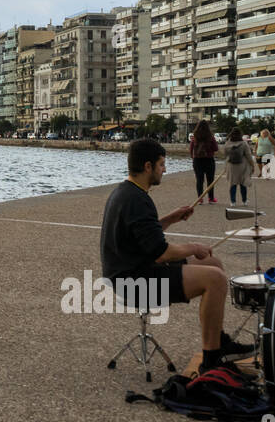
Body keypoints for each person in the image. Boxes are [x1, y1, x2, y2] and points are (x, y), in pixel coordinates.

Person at [99, 139, 254, 374]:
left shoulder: (126, 192)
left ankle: (219, 341)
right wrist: (193, 247)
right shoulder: (138, 201)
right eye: (162, 164)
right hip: (134, 281)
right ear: (148, 166)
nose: (165, 169)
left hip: (132, 269)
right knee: (216, 279)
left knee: (213, 263)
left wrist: (171, 218)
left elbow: (144, 237)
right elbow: (161, 253)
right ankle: (212, 359)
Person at [188, 120, 218, 204]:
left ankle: (200, 199)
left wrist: (193, 157)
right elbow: (216, 148)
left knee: (199, 180)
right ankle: (211, 198)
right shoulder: (210, 137)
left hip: (197, 160)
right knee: (210, 181)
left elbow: (191, 149)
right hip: (209, 160)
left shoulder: (195, 137)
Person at [224, 128, 253, 204]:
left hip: (231, 166)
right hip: (242, 165)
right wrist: (252, 165)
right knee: (243, 183)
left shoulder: (227, 143)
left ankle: (233, 202)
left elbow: (225, 155)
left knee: (232, 184)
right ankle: (244, 200)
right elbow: (249, 156)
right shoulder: (243, 143)